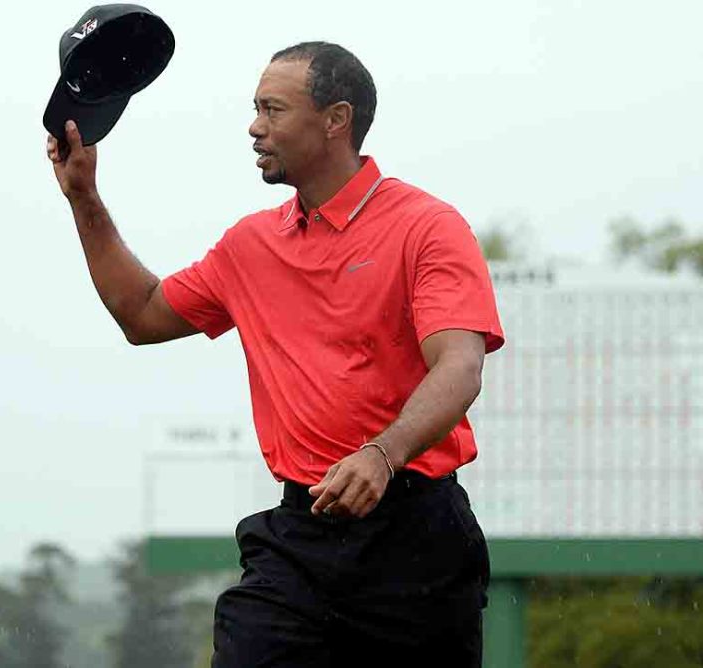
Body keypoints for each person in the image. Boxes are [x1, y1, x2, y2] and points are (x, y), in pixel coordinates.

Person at [46, 41, 504, 666]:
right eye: (256, 109)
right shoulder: (250, 245)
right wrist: (83, 197)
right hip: (299, 539)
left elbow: (460, 365)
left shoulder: (427, 226)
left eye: (273, 109)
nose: (254, 127)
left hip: (417, 539)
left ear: (336, 120)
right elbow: (142, 314)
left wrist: (383, 454)